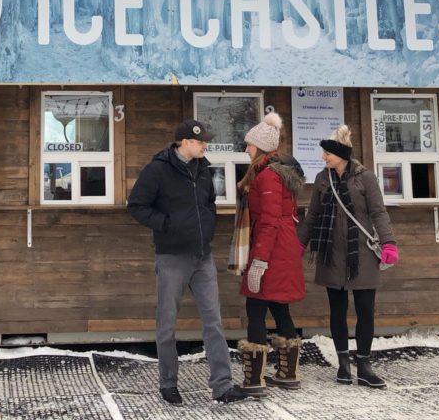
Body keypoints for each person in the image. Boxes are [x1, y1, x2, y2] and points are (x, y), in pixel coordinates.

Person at [127, 119, 248, 405]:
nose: (205, 144)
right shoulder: (158, 169)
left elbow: (209, 202)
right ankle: (168, 383)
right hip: (172, 257)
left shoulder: (203, 168)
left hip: (202, 255)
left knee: (214, 322)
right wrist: (167, 224)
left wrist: (207, 225)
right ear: (185, 142)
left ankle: (223, 386)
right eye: (201, 141)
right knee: (167, 323)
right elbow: (137, 206)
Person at [297, 124, 397, 389]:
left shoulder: (366, 178)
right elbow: (313, 216)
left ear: (341, 153)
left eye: (327, 153)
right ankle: (343, 365)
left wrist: (388, 243)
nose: (323, 157)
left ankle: (364, 366)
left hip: (361, 254)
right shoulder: (322, 178)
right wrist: (298, 244)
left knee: (365, 311)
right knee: (337, 311)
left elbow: (379, 213)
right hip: (331, 253)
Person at [234, 112, 306, 396]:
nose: (246, 149)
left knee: (256, 308)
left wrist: (259, 261)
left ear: (261, 147)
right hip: (282, 249)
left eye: (249, 145)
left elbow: (269, 221)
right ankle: (287, 374)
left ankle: (254, 380)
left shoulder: (267, 177)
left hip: (272, 251)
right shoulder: (277, 172)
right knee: (279, 306)